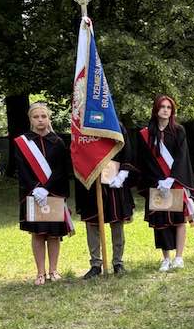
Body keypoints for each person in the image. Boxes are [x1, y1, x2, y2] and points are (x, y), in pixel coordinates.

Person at [13, 101, 74, 285]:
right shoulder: (22, 143)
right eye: (36, 117)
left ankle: (53, 270)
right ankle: (40, 273)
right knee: (38, 234)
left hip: (53, 192)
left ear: (49, 118)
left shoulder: (58, 142)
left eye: (43, 116)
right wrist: (35, 188)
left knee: (54, 235)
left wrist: (46, 188)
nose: (40, 120)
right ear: (30, 119)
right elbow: (22, 170)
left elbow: (61, 170)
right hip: (33, 194)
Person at [136, 95, 194, 271]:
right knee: (161, 222)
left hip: (175, 181)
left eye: (169, 107)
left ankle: (179, 257)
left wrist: (172, 178)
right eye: (162, 107)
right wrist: (158, 181)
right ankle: (166, 259)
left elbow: (182, 156)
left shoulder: (179, 131)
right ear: (156, 109)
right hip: (157, 184)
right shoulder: (146, 134)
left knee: (179, 221)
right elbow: (145, 161)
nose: (165, 110)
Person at [75, 122, 136, 278]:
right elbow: (77, 151)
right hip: (91, 179)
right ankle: (95, 264)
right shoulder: (81, 124)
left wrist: (123, 173)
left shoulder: (115, 124)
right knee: (92, 223)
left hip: (114, 180)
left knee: (117, 222)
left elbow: (126, 149)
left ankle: (118, 262)